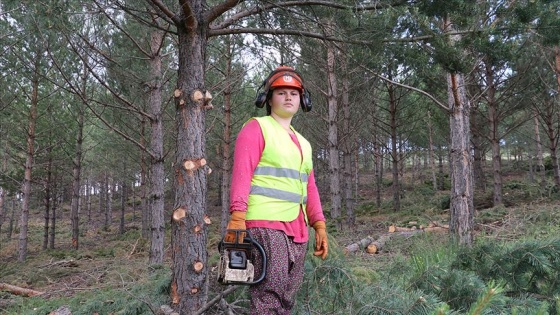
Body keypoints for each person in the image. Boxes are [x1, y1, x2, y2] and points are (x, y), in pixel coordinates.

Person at [225, 65, 328, 314]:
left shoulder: (303, 143)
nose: (289, 97)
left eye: (294, 93)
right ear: (268, 99)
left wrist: (320, 224)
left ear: (303, 100)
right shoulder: (256, 128)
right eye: (281, 92)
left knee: (287, 299)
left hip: (298, 229)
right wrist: (237, 217)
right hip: (265, 224)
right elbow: (242, 173)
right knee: (268, 296)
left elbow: (309, 186)